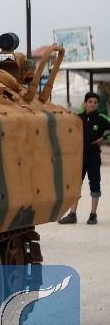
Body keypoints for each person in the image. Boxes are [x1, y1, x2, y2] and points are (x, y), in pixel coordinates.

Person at [59, 91, 110, 225]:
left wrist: (103, 138)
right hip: (79, 157)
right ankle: (72, 215)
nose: (92, 105)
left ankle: (93, 215)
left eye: (95, 103)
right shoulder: (77, 117)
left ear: (97, 104)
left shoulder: (102, 119)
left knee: (95, 184)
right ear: (85, 103)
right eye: (90, 102)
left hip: (93, 157)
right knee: (76, 185)